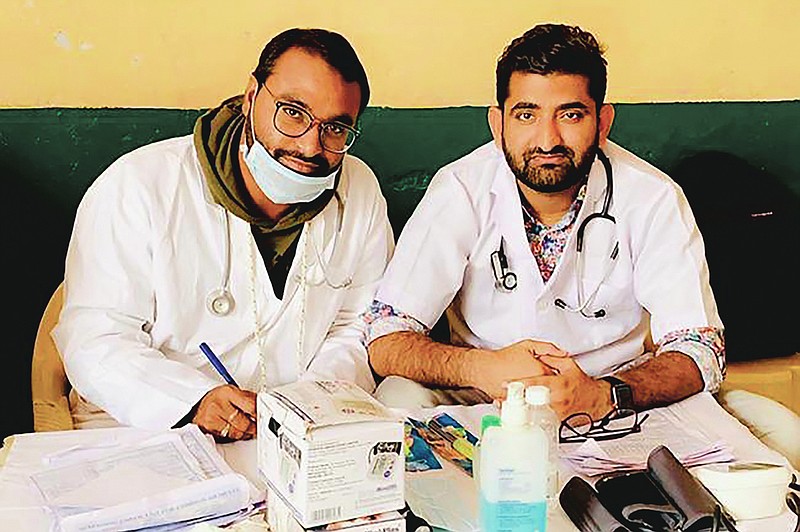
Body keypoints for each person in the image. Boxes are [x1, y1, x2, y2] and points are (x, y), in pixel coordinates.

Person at [364, 24, 725, 422]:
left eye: (570, 115)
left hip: (615, 398)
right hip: (485, 397)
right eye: (527, 114)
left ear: (602, 124)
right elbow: (385, 338)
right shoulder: (460, 188)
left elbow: (701, 351)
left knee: (780, 430)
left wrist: (604, 394)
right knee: (397, 395)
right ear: (498, 124)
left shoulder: (653, 197)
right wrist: (480, 368)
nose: (548, 139)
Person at [53, 28, 393, 440]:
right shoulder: (139, 186)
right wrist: (193, 401)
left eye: (336, 129)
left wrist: (309, 401)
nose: (310, 146)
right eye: (292, 112)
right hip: (144, 430)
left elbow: (357, 325)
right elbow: (94, 339)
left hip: (294, 434)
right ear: (252, 97)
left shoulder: (358, 190)